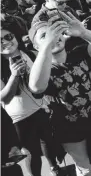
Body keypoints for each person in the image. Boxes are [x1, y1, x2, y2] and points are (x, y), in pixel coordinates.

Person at [28, 11, 91, 176]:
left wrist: (83, 32)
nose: (52, 37)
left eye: (55, 32)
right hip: (68, 127)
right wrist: (46, 47)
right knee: (84, 166)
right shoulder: (41, 71)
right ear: (36, 47)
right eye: (44, 36)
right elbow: (36, 87)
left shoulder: (79, 53)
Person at [1, 19, 65, 176]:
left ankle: (54, 168)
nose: (5, 42)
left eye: (8, 37)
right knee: (31, 153)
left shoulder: (31, 54)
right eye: (0, 41)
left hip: (42, 108)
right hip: (19, 118)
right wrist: (14, 76)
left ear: (15, 36)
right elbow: (4, 98)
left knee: (48, 143)